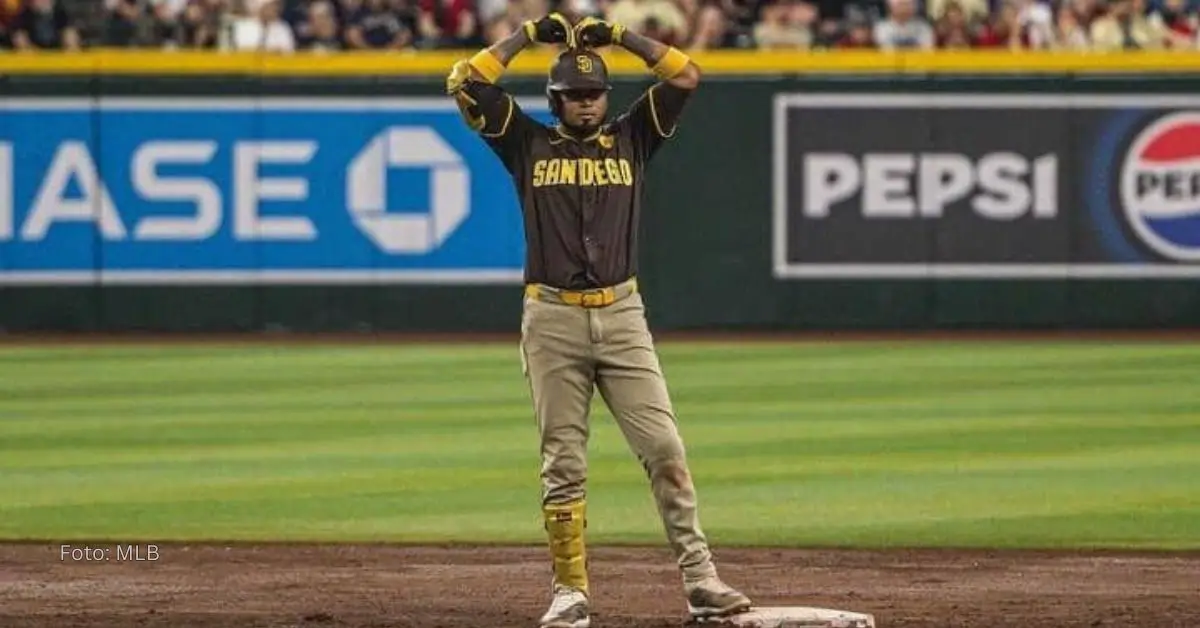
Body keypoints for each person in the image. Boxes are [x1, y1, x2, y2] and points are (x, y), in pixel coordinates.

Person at [445, 12, 753, 628]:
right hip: (552, 316)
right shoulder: (525, 141)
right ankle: (570, 591)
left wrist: (620, 38)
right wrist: (529, 37)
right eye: (574, 95)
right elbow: (462, 82)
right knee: (564, 460)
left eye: (594, 93)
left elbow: (686, 75)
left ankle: (700, 580)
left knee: (664, 446)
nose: (586, 104)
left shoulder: (635, 135)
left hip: (622, 314)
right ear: (554, 99)